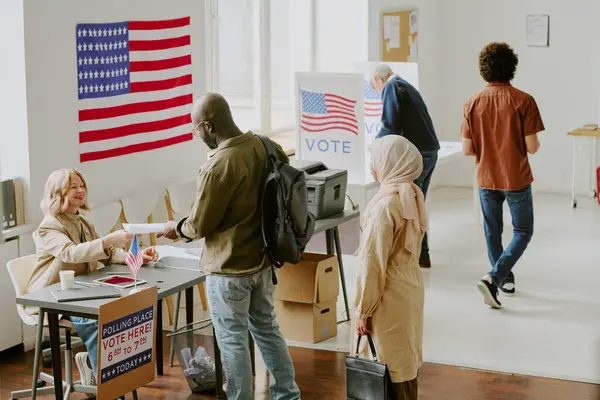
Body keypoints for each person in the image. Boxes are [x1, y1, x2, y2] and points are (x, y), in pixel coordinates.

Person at [158, 93, 300, 400]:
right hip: (263, 262)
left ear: (208, 126)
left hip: (228, 271)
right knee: (268, 331)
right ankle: (288, 394)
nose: (196, 135)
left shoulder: (218, 165)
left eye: (195, 129)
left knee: (232, 341)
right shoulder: (266, 145)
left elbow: (199, 225)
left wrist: (175, 227)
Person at [27, 169, 157, 387]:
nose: (80, 190)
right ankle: (104, 383)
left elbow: (106, 254)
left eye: (82, 185)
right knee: (101, 320)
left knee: (125, 310)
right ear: (58, 193)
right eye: (73, 186)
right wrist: (107, 240)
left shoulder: (83, 222)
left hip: (81, 290)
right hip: (54, 294)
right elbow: (71, 252)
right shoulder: (49, 226)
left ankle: (102, 369)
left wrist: (134, 257)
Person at [461, 42, 544, 309]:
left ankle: (504, 280)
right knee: (523, 231)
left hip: (486, 177)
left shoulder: (472, 103)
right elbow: (532, 147)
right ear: (512, 68)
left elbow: (467, 149)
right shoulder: (524, 100)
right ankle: (495, 278)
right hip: (516, 178)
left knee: (492, 232)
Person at [353, 135, 425, 400]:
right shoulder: (412, 195)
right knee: (404, 364)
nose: (373, 165)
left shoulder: (385, 205)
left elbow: (373, 263)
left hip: (387, 295)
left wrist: (363, 310)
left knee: (385, 366)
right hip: (410, 289)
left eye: (376, 159)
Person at [368, 62, 440, 269]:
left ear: (379, 80)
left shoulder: (392, 87)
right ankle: (421, 255)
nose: (376, 91)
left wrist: (375, 146)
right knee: (417, 205)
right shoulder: (405, 85)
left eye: (374, 87)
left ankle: (410, 257)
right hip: (429, 151)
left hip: (417, 155)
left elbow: (390, 124)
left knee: (408, 207)